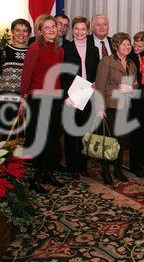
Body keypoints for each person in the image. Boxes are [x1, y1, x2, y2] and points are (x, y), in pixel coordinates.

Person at [19, 15, 65, 193]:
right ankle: (34, 178)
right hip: (37, 100)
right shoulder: (35, 48)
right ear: (40, 31)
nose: (51, 30)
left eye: (53, 26)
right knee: (38, 139)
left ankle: (47, 172)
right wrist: (22, 99)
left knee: (52, 138)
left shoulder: (59, 50)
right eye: (47, 27)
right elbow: (26, 76)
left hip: (54, 99)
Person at [94, 32, 138, 185]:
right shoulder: (106, 61)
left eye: (128, 44)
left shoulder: (131, 64)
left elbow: (136, 84)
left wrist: (131, 88)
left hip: (125, 107)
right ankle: (105, 171)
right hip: (109, 106)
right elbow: (99, 85)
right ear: (116, 46)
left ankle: (118, 170)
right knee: (108, 141)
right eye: (124, 44)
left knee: (120, 141)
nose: (127, 47)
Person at [61, 16, 99, 179]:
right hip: (71, 95)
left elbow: (96, 71)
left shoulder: (94, 49)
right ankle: (72, 167)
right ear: (72, 30)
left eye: (83, 29)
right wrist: (65, 96)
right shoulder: (66, 48)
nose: (79, 32)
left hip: (88, 94)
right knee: (71, 133)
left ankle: (83, 165)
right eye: (76, 28)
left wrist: (96, 82)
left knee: (85, 132)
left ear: (88, 31)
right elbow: (61, 74)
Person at [0, 18, 31, 135]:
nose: (21, 34)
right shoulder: (2, 52)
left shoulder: (33, 53)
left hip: (26, 102)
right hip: (5, 102)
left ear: (29, 33)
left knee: (24, 137)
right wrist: (4, 87)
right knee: (5, 139)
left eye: (25, 31)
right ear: (12, 31)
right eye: (17, 30)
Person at [127, 31, 144, 177]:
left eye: (139, 46)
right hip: (135, 100)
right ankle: (135, 165)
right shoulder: (130, 56)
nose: (135, 47)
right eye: (135, 44)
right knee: (136, 134)